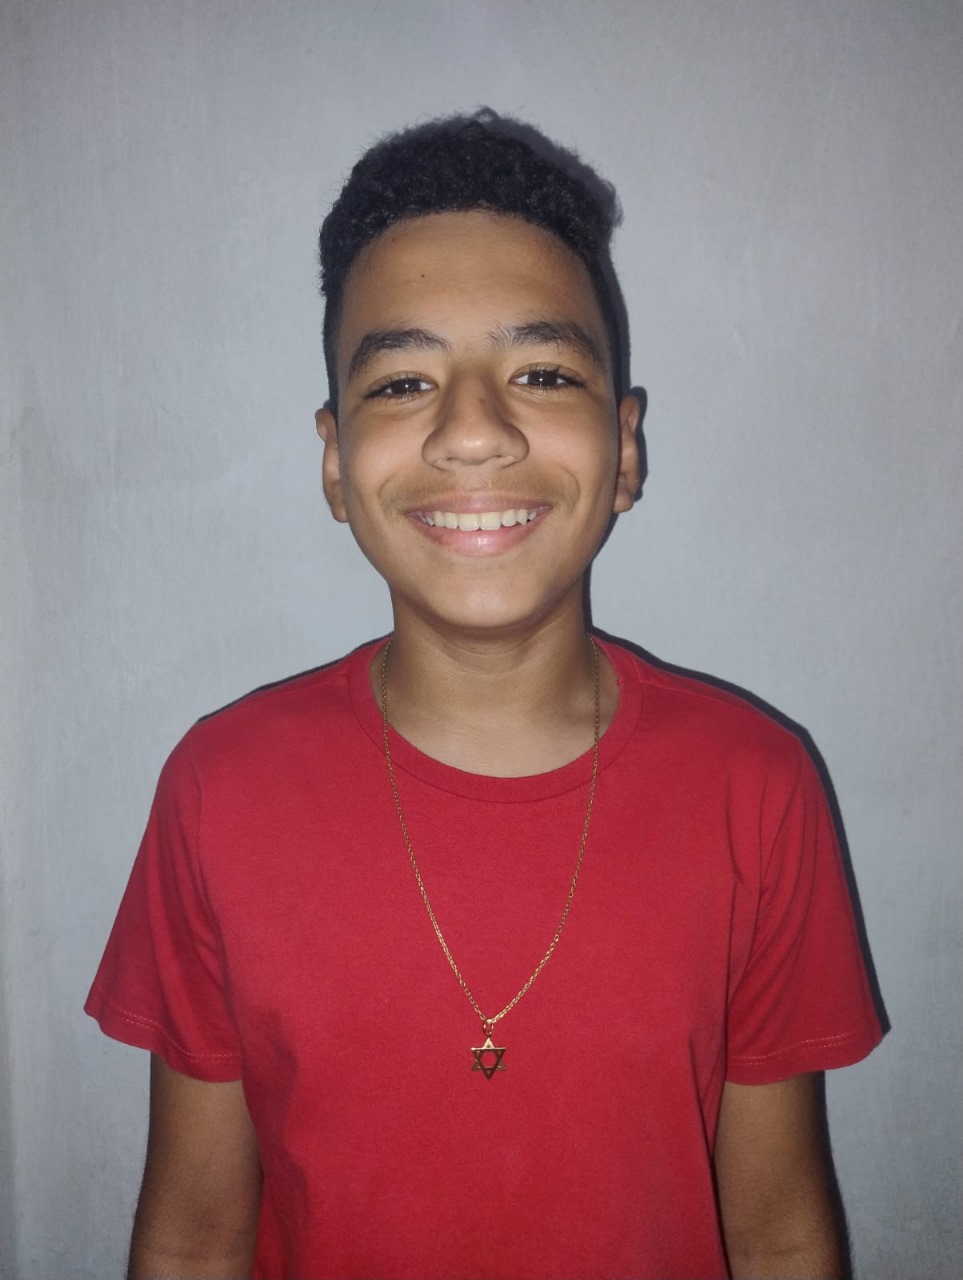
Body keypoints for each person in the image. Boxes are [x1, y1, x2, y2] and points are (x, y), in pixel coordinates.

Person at [86, 113, 882, 1280]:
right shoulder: (220, 789)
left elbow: (778, 1231)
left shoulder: (754, 786)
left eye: (542, 373)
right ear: (334, 460)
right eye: (404, 380)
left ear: (624, 447)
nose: (472, 432)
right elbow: (196, 1232)